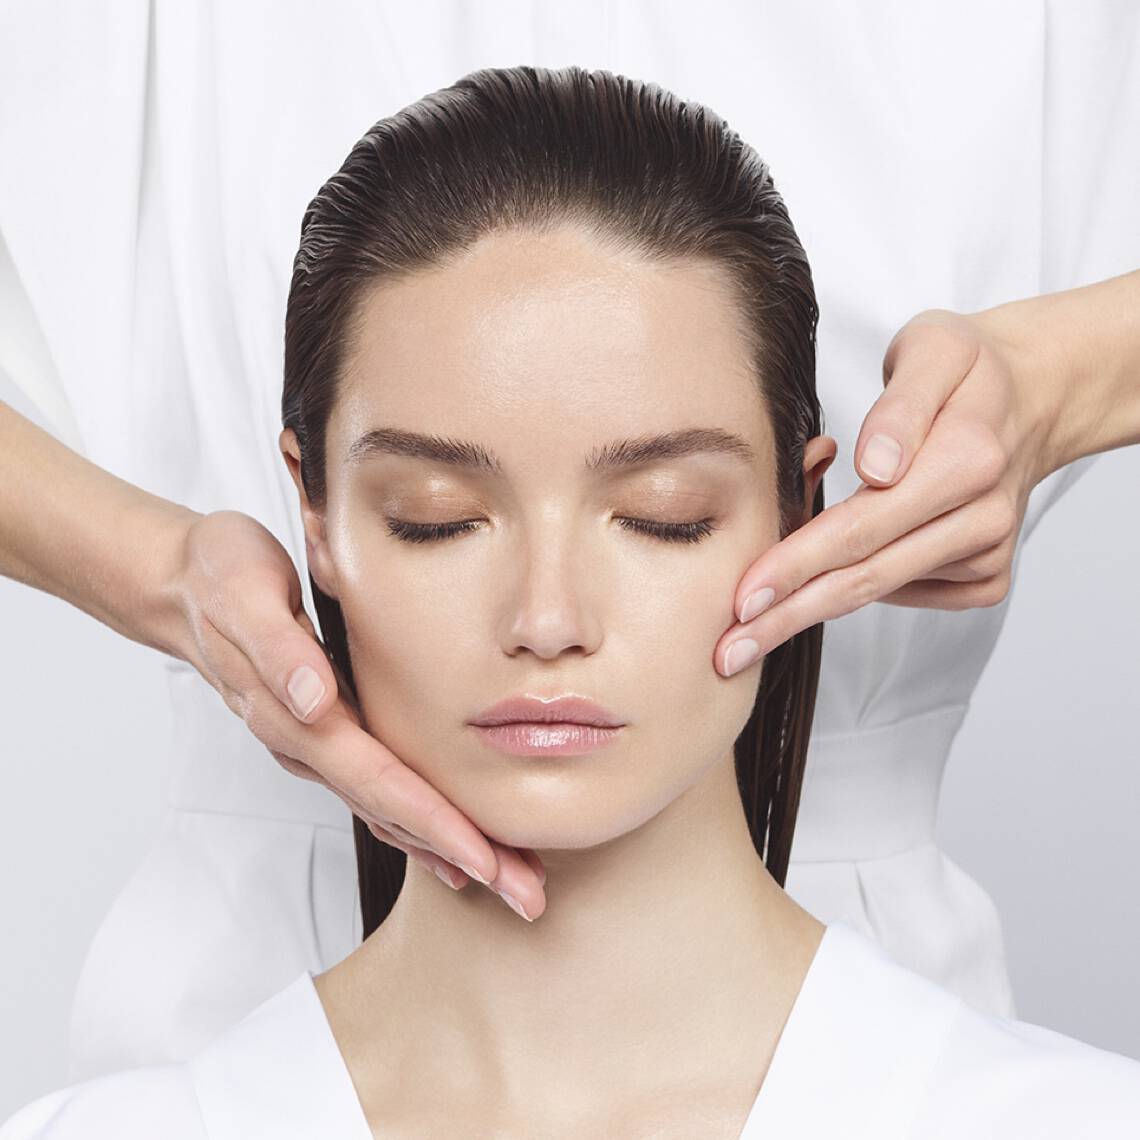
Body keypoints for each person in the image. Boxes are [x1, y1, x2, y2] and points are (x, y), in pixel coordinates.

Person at [1, 2, 1138, 1088]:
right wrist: (160, 572)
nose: (547, 622)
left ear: (800, 499)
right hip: (244, 961)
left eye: (666, 515)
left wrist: (1063, 376)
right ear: (317, 509)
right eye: (434, 516)